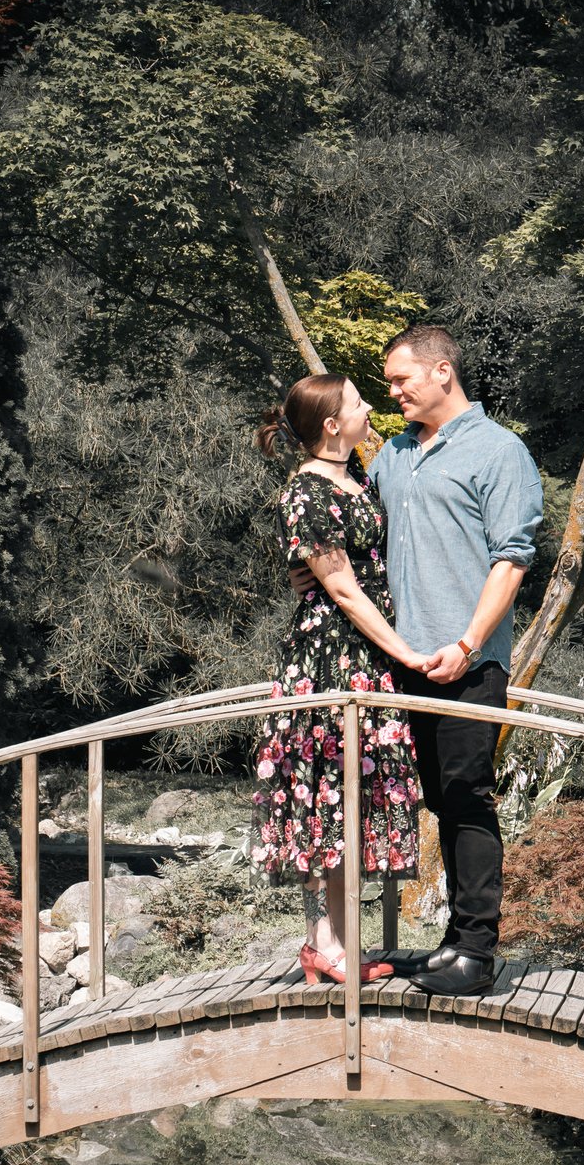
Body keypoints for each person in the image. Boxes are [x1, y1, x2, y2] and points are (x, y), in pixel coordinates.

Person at [366, 325, 543, 997]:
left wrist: (467, 643)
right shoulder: (396, 454)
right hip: (406, 661)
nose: (394, 391)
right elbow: (356, 526)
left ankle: (477, 951)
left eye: (401, 378)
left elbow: (513, 559)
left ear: (442, 371)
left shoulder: (500, 452)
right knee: (438, 798)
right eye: (387, 382)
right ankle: (452, 940)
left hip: (467, 662)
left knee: (467, 796)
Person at [250, 372, 430, 985]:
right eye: (356, 401)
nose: (367, 407)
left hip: (365, 659)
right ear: (332, 424)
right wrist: (405, 653)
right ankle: (321, 944)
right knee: (322, 796)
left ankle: (337, 945)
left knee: (351, 797)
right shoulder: (303, 493)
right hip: (331, 661)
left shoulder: (356, 480)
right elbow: (345, 591)